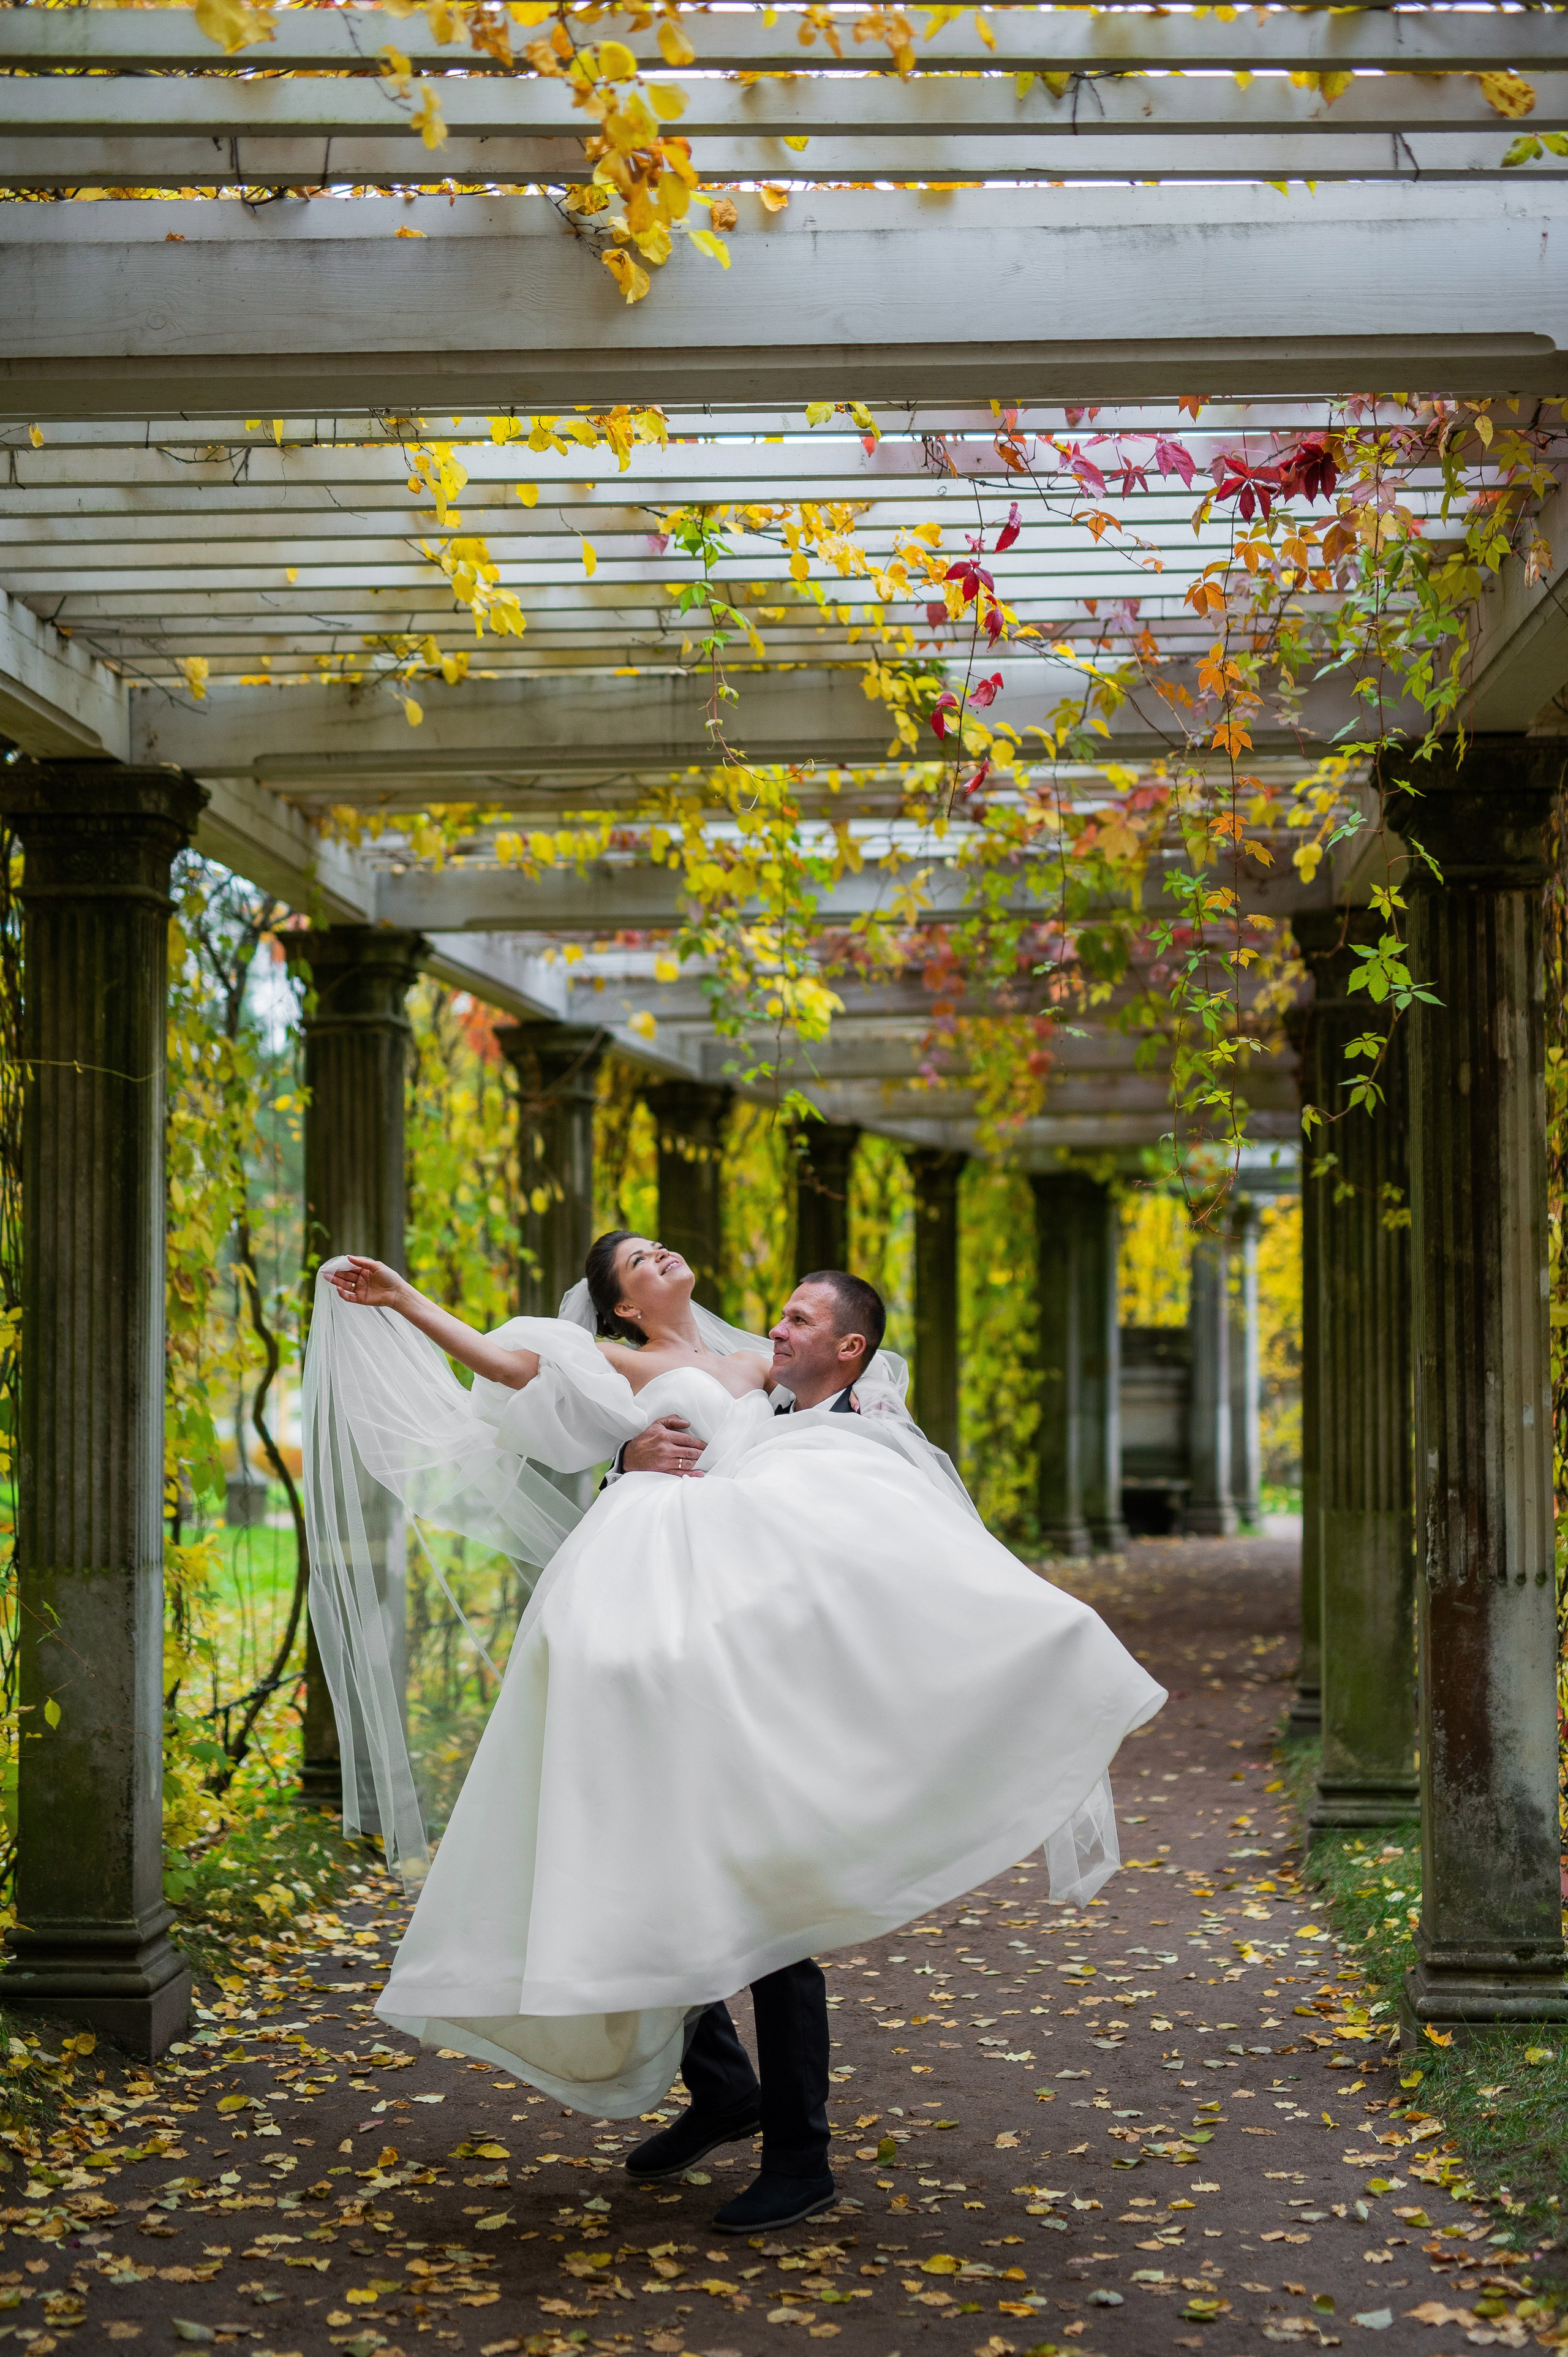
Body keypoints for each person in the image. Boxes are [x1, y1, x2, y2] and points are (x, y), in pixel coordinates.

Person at [303, 1231, 1165, 2234]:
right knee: (655, 1851)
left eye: (658, 1245)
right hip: (648, 1606)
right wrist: (412, 1303)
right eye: (637, 1258)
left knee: (747, 1856)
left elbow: (847, 1421)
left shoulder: (759, 1363)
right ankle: (724, 2091)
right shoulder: (630, 1362)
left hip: (743, 1616)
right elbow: (512, 1366)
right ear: (621, 1306)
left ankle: (796, 2149)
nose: (661, 1252)